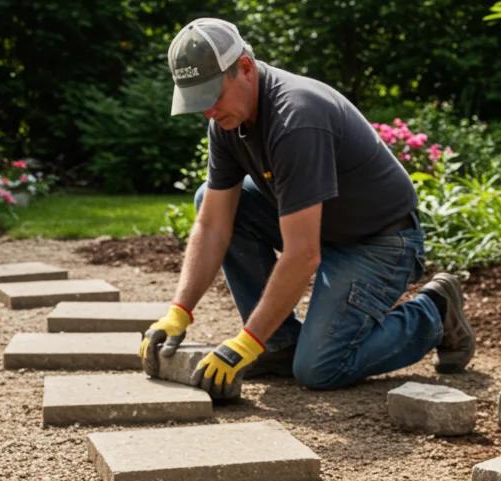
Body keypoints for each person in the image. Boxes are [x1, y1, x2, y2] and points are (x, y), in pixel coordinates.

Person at [140, 18, 475, 398]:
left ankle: (434, 311)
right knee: (209, 198)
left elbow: (303, 255)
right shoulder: (227, 123)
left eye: (212, 96)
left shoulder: (296, 118)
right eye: (197, 101)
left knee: (320, 368)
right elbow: (214, 224)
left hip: (380, 240)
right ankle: (279, 343)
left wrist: (246, 341)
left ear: (245, 69)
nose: (207, 112)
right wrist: (179, 311)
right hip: (326, 229)